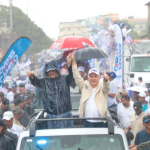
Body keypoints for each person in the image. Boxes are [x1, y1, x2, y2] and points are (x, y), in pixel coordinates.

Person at [27, 59, 74, 129]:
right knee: (53, 138)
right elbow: (36, 82)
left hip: (66, 116)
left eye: (53, 70)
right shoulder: (44, 82)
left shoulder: (65, 79)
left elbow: (72, 75)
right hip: (51, 117)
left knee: (67, 138)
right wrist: (32, 77)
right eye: (49, 71)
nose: (51, 72)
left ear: (57, 70)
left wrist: (70, 65)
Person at [67, 53, 110, 127]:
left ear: (99, 78)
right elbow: (76, 76)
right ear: (87, 77)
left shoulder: (102, 84)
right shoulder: (84, 85)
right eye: (91, 76)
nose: (93, 78)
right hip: (87, 121)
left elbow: (106, 88)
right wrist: (73, 62)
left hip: (101, 122)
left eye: (95, 76)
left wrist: (106, 81)